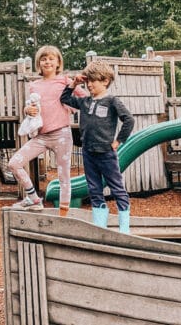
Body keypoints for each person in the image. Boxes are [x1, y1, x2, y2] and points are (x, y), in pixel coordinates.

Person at [8, 46, 87, 216]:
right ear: (39, 63)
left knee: (64, 177)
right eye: (44, 59)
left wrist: (72, 108)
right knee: (14, 163)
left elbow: (84, 99)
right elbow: (31, 105)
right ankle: (34, 199)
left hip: (62, 135)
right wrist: (26, 110)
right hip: (41, 136)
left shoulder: (65, 81)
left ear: (58, 62)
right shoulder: (34, 85)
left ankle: (63, 216)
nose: (47, 62)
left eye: (51, 58)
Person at [61, 60, 135, 233]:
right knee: (94, 188)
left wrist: (118, 141)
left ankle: (124, 227)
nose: (89, 84)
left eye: (92, 81)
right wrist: (74, 83)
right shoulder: (84, 102)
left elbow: (129, 120)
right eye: (87, 81)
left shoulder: (112, 101)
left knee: (117, 188)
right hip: (88, 152)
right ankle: (100, 225)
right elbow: (64, 99)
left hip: (106, 153)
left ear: (105, 81)